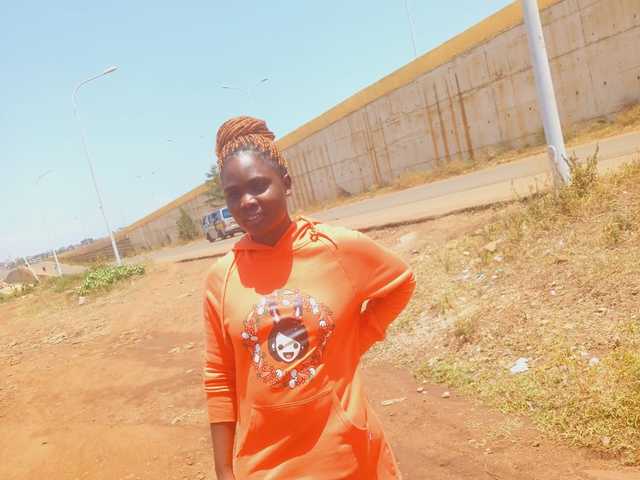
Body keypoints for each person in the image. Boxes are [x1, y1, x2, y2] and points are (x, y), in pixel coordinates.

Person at [203, 116, 415, 479]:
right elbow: (219, 377)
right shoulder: (221, 278)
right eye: (233, 193)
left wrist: (353, 342)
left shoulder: (336, 248)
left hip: (347, 456)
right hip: (266, 467)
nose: (247, 201)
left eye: (258, 186)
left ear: (286, 183)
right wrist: (224, 470)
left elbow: (401, 282)